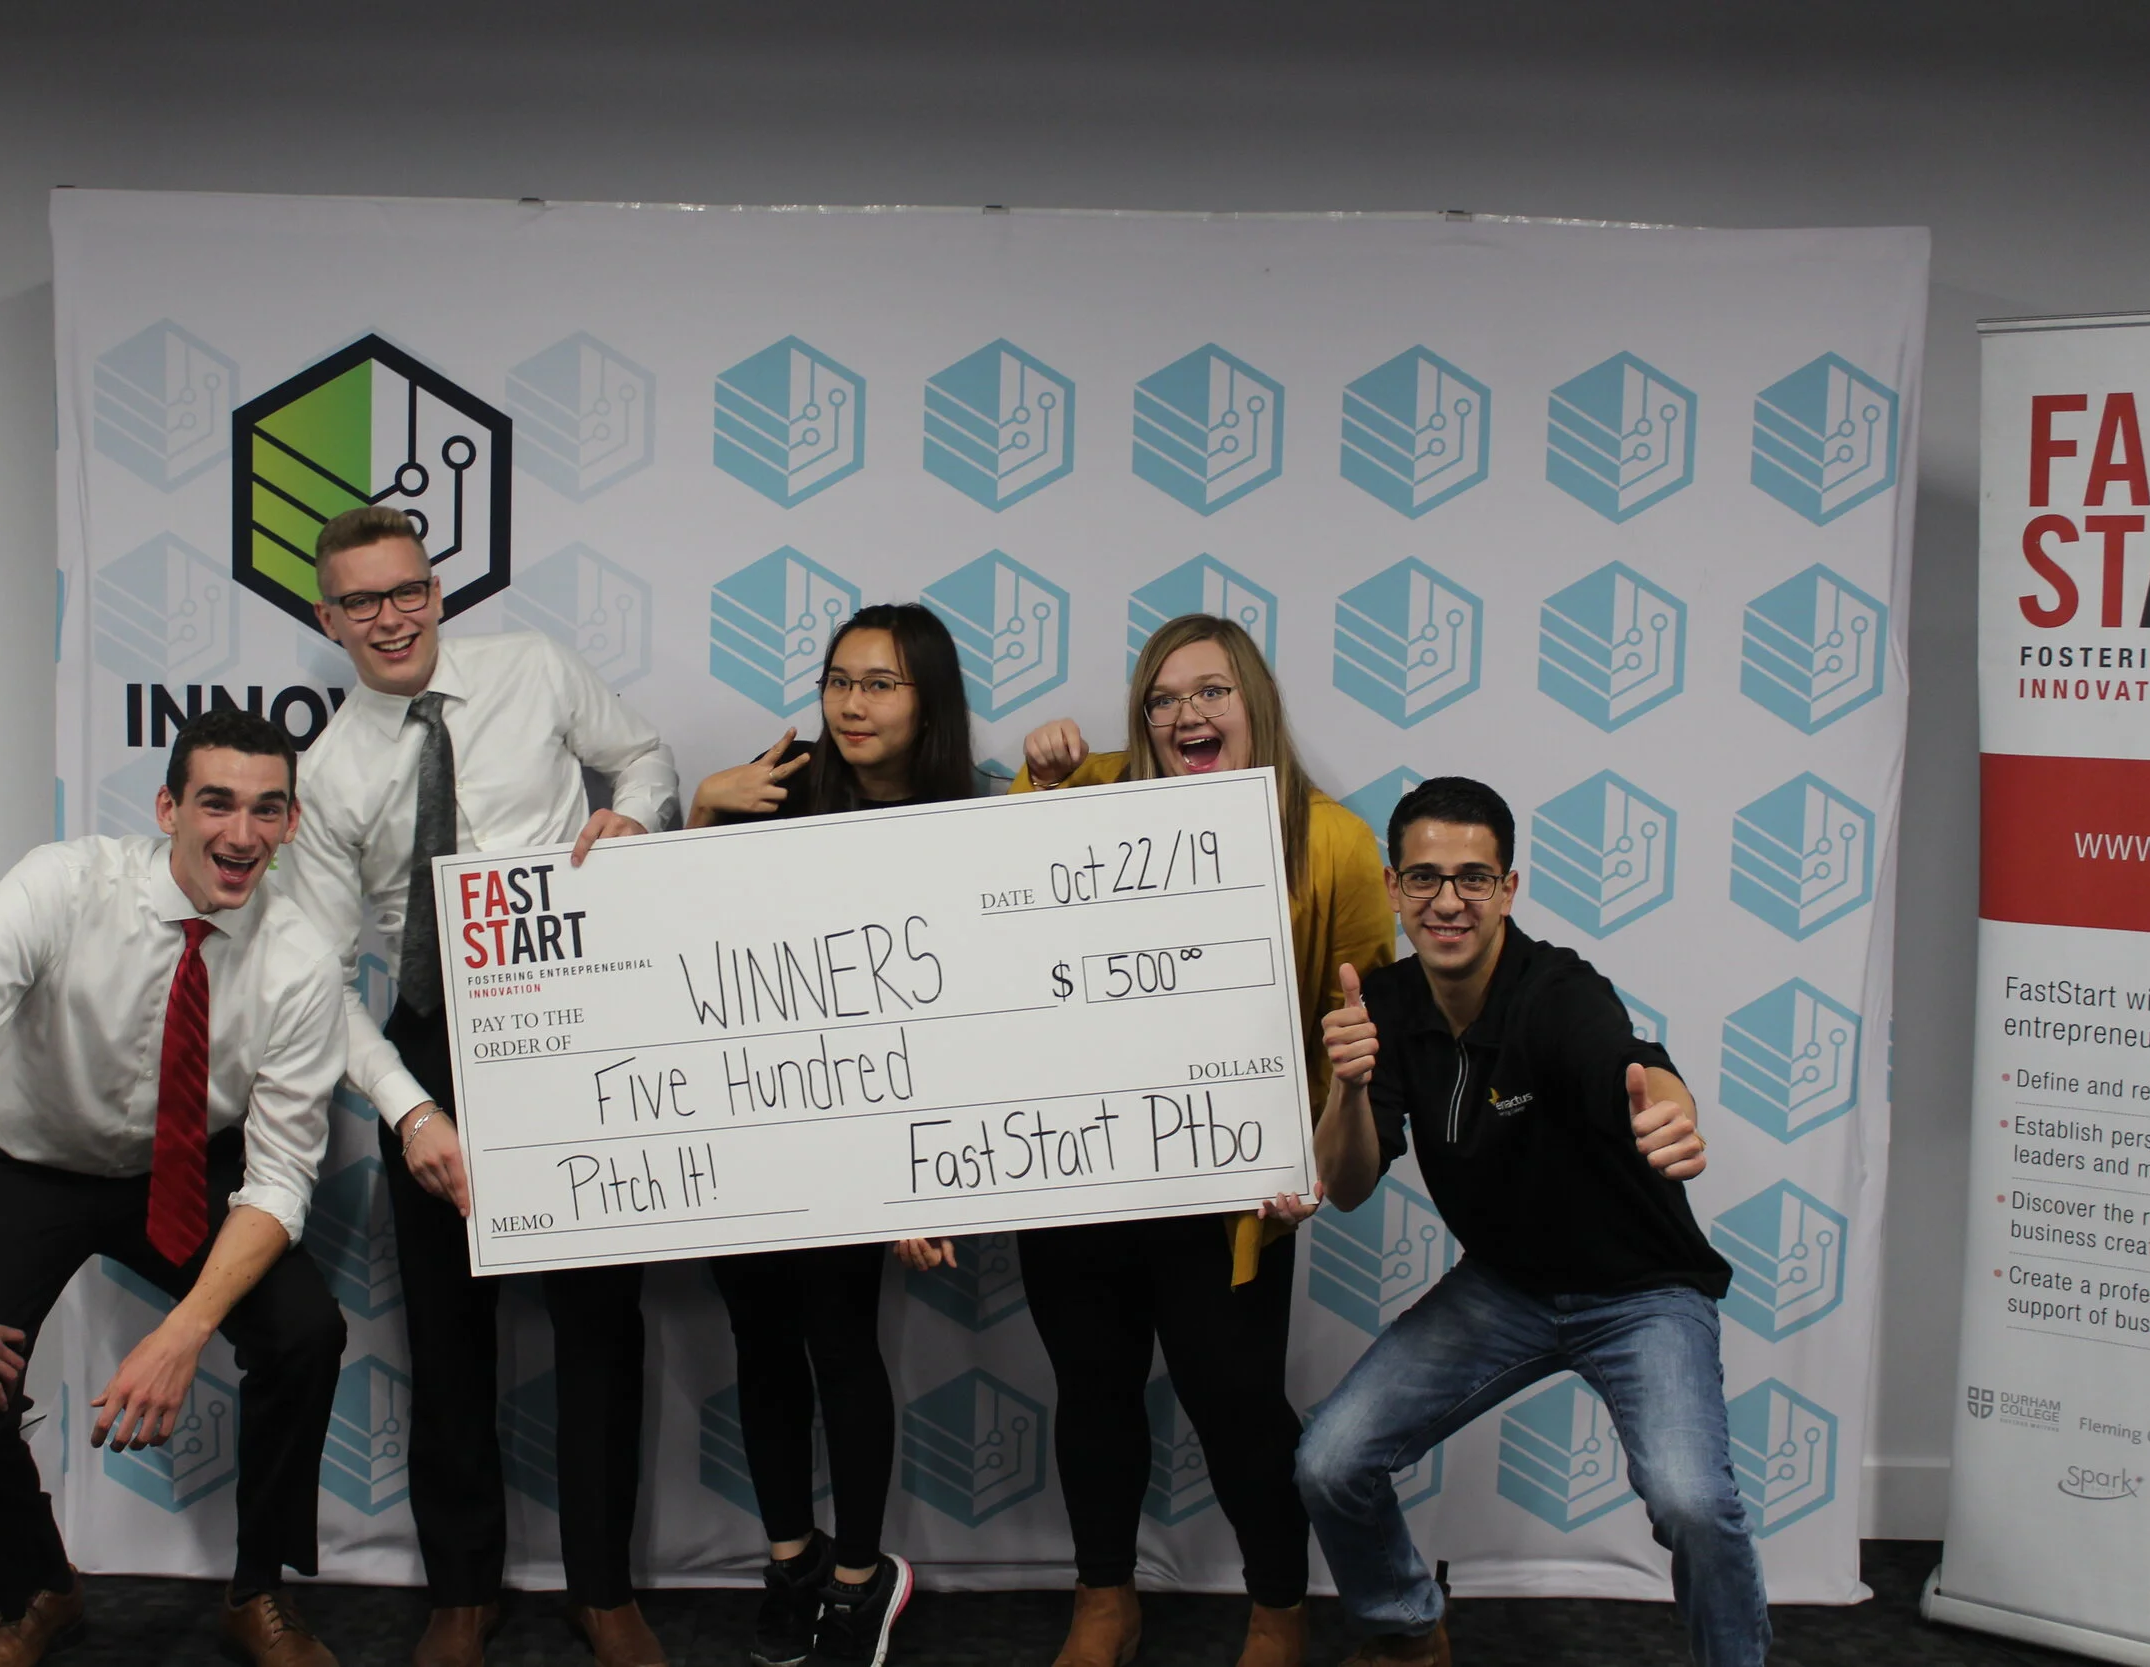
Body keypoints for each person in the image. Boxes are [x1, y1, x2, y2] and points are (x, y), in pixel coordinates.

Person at [279, 504, 679, 1667]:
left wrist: (633, 813)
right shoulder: (326, 772)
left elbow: (645, 756)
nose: (390, 616)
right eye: (361, 600)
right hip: (431, 1047)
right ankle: (461, 1588)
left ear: (436, 591)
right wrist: (410, 1109)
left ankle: (603, 1586)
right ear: (329, 619)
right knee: (448, 1336)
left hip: (578, 1022)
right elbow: (318, 978)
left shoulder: (534, 667)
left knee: (599, 1324)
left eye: (407, 589)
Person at [0, 709, 349, 1667]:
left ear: (292, 823)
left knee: (305, 1333)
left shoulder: (301, 960)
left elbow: (282, 1176)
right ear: (168, 808)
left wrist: (184, 1331)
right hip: (23, 1158)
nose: (241, 833)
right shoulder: (60, 885)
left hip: (183, 1165)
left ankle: (259, 1590)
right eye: (216, 803)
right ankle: (38, 1589)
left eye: (267, 808)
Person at [1003, 613, 1394, 1667]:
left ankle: (1278, 1607)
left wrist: (1312, 1155)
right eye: (1164, 698)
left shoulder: (1333, 839)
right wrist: (1038, 782)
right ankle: (1104, 1597)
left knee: (1237, 1403)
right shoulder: (1087, 791)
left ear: (1252, 701)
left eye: (1211, 691)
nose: (1188, 713)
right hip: (1082, 1172)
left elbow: (1358, 1024)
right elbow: (993, 915)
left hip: (1230, 1192)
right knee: (1092, 1393)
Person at [1295, 776, 1745, 1667]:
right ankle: (1407, 1633)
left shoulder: (1558, 991)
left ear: (1507, 889)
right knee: (1330, 1460)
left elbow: (1632, 1064)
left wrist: (1672, 1109)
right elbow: (1345, 1186)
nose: (1447, 900)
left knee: (1693, 1501)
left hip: (1642, 1294)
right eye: (1424, 877)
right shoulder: (1384, 1006)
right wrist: (1345, 1086)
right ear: (1393, 886)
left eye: (1473, 877)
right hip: (1505, 1289)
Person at [686, 603, 975, 1667]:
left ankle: (861, 1576)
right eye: (838, 679)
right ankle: (791, 1561)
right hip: (748, 1121)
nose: (852, 703)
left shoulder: (967, 824)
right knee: (758, 1339)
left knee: (840, 1341)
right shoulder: (778, 785)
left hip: (867, 1135)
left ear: (928, 701)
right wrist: (701, 813)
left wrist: (926, 1176)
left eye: (880, 683)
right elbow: (677, 943)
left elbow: (977, 1017)